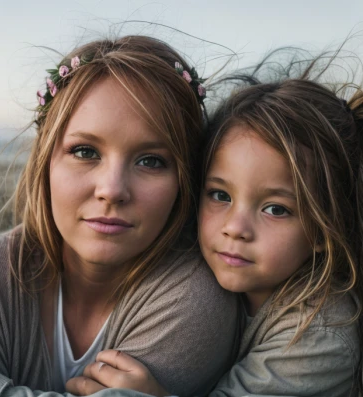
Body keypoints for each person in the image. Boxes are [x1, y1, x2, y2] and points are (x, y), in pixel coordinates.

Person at [0, 36, 241, 397]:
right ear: (46, 159)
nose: (112, 189)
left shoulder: (194, 302)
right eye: (84, 151)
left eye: (151, 161)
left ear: (184, 180)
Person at [62, 50, 363, 397]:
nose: (235, 228)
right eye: (220, 195)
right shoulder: (195, 259)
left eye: (276, 209)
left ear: (325, 229)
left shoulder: (319, 335)